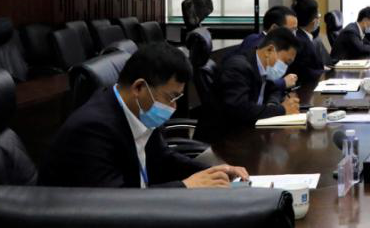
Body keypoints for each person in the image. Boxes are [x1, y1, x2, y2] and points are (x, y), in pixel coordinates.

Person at [39, 43, 249, 188]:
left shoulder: (136, 110)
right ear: (139, 87)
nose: (173, 107)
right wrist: (185, 186)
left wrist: (214, 171)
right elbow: (113, 203)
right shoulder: (92, 128)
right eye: (170, 97)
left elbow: (163, 159)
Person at [215, 27, 302, 129]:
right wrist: (281, 110)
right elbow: (240, 110)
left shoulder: (264, 67)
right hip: (229, 134)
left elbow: (274, 89)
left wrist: (272, 104)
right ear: (269, 50)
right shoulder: (238, 67)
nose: (285, 67)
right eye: (286, 62)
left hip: (251, 128)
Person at [235, 5, 298, 92]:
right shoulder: (258, 46)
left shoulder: (254, 37)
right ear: (274, 28)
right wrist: (283, 83)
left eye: (295, 30)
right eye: (291, 30)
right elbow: (258, 83)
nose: (294, 35)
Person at [289, 0, 326, 87]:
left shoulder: (303, 36)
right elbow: (304, 73)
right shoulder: (301, 42)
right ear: (314, 21)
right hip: (306, 88)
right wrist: (326, 73)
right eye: (318, 16)